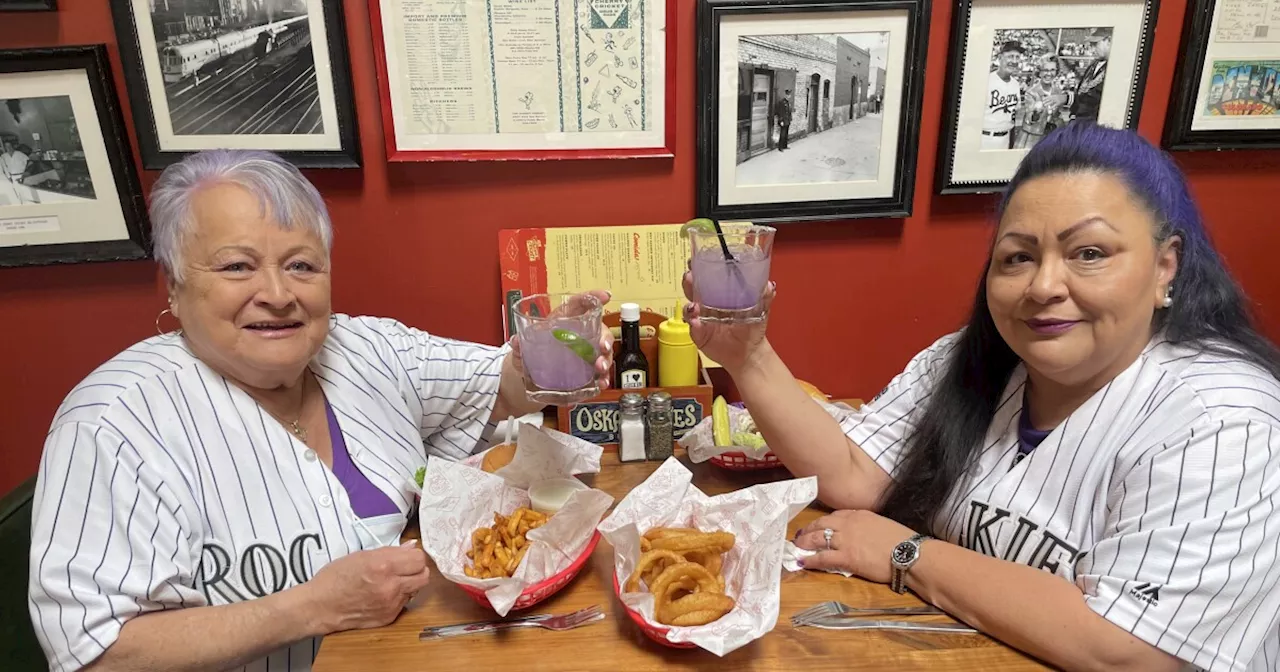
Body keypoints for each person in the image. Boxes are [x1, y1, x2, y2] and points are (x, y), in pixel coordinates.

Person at [682, 122, 1280, 671]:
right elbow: (853, 474)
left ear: (1164, 267)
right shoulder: (969, 359)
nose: (1045, 285)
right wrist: (747, 355)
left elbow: (1131, 650)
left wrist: (906, 554)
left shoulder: (1224, 419)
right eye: (1018, 257)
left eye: (1089, 254)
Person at [27, 149, 614, 672]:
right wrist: (310, 609)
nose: (279, 293)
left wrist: (551, 354)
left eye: (301, 265)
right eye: (237, 266)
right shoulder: (112, 424)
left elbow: (503, 384)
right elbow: (97, 655)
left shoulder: (367, 349)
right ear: (176, 289)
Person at [1014, 61, 1066, 149]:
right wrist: (1036, 112)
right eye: (1045, 70)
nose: (1049, 74)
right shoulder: (1031, 92)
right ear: (1040, 72)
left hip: (1052, 135)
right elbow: (1030, 119)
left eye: (1052, 70)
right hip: (1033, 136)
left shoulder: (1058, 91)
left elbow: (1058, 115)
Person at [983, 41, 1024, 150]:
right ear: (1000, 57)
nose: (1014, 61)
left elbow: (1015, 114)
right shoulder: (986, 81)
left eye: (1017, 57)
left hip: (1005, 139)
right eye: (1010, 56)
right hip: (984, 138)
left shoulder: (1015, 84)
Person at [1071, 31, 1109, 122]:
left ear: (1108, 41)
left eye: (1095, 44)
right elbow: (1080, 91)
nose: (1092, 50)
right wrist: (1072, 114)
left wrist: (1067, 98)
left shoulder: (1115, 68)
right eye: (1091, 45)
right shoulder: (1092, 66)